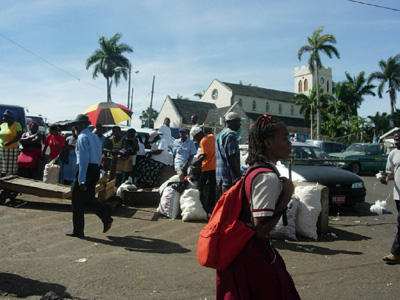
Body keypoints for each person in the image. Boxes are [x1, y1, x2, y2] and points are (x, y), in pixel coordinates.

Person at [216, 114, 300, 299]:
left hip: (242, 253)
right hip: (252, 257)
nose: (290, 143)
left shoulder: (255, 169)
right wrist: (286, 196)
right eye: (285, 138)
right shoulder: (267, 178)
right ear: (268, 143)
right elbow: (260, 228)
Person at [66, 114, 113, 238]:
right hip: (94, 169)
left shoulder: (82, 137)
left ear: (81, 125)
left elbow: (83, 159)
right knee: (88, 199)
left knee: (77, 200)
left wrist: (81, 179)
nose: (75, 127)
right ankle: (105, 214)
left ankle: (78, 230)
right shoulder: (95, 137)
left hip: (86, 170)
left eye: (76, 125)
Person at [381, 129, 400, 265]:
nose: (396, 141)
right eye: (395, 139)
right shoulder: (393, 154)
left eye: (398, 138)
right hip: (398, 195)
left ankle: (395, 253)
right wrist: (385, 179)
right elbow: (391, 174)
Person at [215, 112, 242, 194]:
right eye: (238, 122)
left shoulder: (219, 135)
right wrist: (239, 175)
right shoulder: (231, 136)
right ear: (231, 122)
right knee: (228, 203)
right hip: (229, 177)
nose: (239, 125)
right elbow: (231, 157)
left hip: (220, 176)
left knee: (222, 202)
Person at [192, 127, 216, 215]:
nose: (196, 140)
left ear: (199, 135)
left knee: (199, 187)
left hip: (206, 167)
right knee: (212, 187)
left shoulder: (203, 141)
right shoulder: (212, 137)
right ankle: (211, 207)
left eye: (195, 138)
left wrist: (195, 162)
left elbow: (204, 156)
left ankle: (202, 206)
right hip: (214, 166)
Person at [0, 109, 23, 176]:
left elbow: (19, 136)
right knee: (2, 166)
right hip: (2, 148)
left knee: (10, 167)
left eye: (5, 116)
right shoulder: (2, 125)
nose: (3, 118)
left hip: (12, 148)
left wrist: (10, 142)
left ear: (9, 118)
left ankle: (9, 178)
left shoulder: (17, 125)